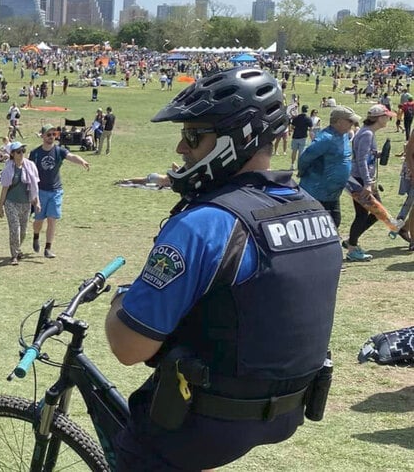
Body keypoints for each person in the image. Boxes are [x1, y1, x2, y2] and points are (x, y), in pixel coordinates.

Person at [105, 67, 342, 471]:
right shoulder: (314, 209)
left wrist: (119, 302)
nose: (182, 147)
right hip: (286, 409)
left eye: (194, 135)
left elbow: (129, 349)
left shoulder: (204, 223)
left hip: (207, 421)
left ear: (238, 138)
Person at [28, 124, 90, 258]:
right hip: (40, 192)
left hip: (56, 191)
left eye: (53, 135)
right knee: (38, 221)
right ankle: (36, 236)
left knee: (52, 219)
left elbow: (71, 156)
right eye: (48, 135)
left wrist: (82, 161)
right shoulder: (35, 153)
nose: (51, 137)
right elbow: (29, 172)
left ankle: (48, 248)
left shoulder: (59, 151)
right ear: (42, 136)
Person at [345, 104, 395, 261]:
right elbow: (361, 160)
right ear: (379, 118)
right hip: (361, 180)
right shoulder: (367, 134)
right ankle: (352, 247)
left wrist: (377, 154)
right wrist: (367, 183)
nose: (389, 119)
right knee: (373, 213)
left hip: (360, 178)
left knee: (370, 213)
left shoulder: (367, 132)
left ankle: (351, 242)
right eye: (387, 116)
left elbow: (363, 155)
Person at [297, 106, 359, 229]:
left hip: (333, 194)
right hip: (317, 192)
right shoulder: (325, 138)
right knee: (318, 228)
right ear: (339, 121)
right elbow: (305, 157)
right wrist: (302, 171)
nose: (353, 124)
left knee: (334, 223)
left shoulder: (344, 136)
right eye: (350, 121)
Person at [0, 142, 41, 265]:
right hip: (11, 203)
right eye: (18, 151)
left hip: (26, 203)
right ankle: (14, 255)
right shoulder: (8, 168)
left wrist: (37, 202)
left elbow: (34, 186)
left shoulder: (30, 166)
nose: (21, 154)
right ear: (12, 154)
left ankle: (17, 248)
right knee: (14, 230)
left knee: (23, 232)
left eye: (23, 150)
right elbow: (4, 188)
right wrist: (0, 207)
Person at [289, 105, 313, 170]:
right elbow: (311, 129)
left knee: (294, 151)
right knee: (301, 152)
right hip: (303, 137)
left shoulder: (296, 118)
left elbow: (292, 127)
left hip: (295, 136)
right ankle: (299, 165)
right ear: (307, 110)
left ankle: (292, 165)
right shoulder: (308, 118)